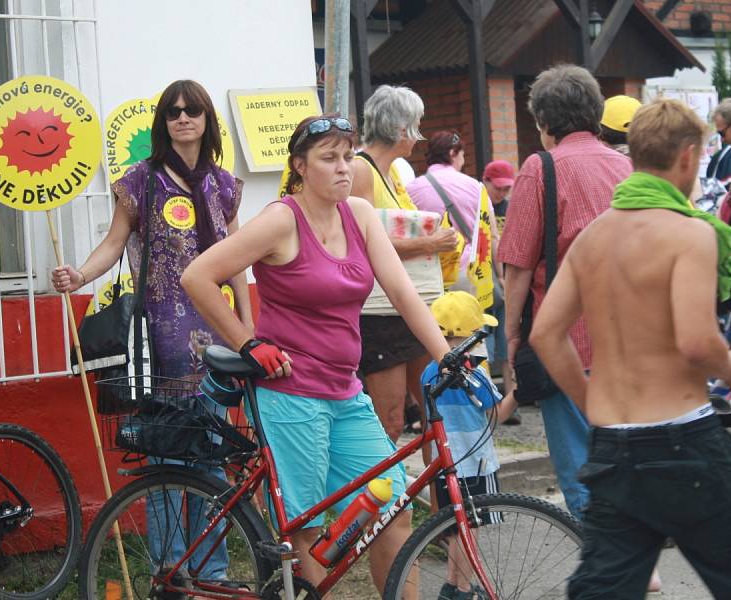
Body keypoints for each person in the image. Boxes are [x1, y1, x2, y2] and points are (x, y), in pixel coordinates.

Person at [180, 114, 451, 592]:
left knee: (392, 511)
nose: (344, 168)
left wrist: (447, 358)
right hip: (291, 394)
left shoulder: (361, 215)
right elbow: (197, 277)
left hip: (346, 392)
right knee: (305, 526)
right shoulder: (281, 220)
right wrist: (248, 342)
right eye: (329, 158)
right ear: (301, 167)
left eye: (348, 156)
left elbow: (405, 295)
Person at [530, 98, 731, 599]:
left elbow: (545, 334)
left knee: (604, 590)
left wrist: (591, 405)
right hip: (682, 441)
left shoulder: (593, 237)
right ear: (688, 157)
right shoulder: (690, 233)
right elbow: (695, 342)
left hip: (612, 444)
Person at [51, 79, 252, 580]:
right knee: (165, 457)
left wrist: (248, 329)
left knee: (210, 454)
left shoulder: (225, 184)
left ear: (207, 119)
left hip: (216, 335)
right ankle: (170, 567)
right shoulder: (139, 180)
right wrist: (79, 274)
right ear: (162, 123)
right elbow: (115, 243)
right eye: (173, 112)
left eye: (192, 111)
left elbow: (236, 261)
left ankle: (212, 571)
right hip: (158, 338)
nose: (183, 119)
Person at [497, 64, 632, 520]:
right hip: (630, 339)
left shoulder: (541, 168)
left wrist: (512, 337)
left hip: (567, 340)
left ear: (543, 121)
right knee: (621, 457)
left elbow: (517, 266)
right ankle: (634, 556)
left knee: (580, 466)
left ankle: (608, 560)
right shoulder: (627, 167)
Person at [350, 85, 458, 442]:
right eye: (417, 125)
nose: (419, 136)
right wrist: (429, 242)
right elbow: (364, 242)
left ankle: (437, 496)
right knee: (391, 420)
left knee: (433, 413)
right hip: (381, 312)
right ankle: (387, 497)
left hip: (410, 304)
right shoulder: (361, 170)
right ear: (400, 130)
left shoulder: (392, 172)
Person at [421, 291, 517, 600]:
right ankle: (464, 590)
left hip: (444, 464)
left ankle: (452, 584)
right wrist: (518, 390)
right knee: (469, 529)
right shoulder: (475, 376)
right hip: (476, 465)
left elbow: (426, 424)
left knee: (455, 528)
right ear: (468, 337)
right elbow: (499, 415)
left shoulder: (428, 372)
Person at [406, 130, 492, 293]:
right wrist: (499, 275)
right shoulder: (476, 187)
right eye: (462, 155)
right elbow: (491, 234)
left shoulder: (410, 190)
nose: (463, 161)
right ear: (453, 153)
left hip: (429, 276)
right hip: (469, 273)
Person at [482, 159, 518, 424]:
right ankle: (487, 401)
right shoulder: (480, 205)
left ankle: (510, 400)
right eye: (498, 188)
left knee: (507, 345)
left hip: (507, 281)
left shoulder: (510, 207)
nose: (502, 193)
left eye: (506, 189)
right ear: (486, 182)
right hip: (487, 280)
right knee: (485, 345)